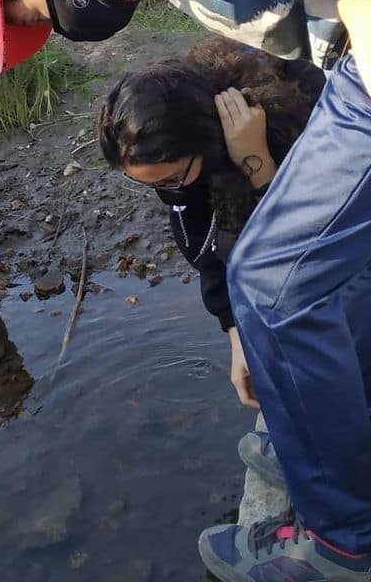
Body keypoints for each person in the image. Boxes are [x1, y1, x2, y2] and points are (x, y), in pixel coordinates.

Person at [0, 0, 371, 579]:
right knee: (297, 281)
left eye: (39, 13)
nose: (58, 30)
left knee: (276, 280)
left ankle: (346, 545)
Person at [98, 37, 323, 404]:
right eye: (146, 183)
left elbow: (310, 250)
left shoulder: (302, 127)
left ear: (206, 141)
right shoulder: (184, 172)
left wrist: (258, 163)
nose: (167, 192)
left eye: (169, 180)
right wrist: (236, 333)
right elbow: (208, 253)